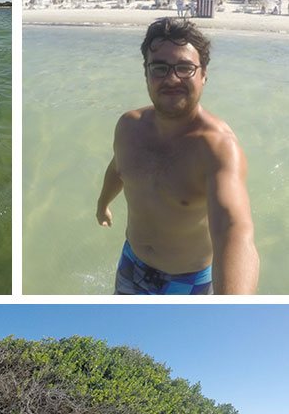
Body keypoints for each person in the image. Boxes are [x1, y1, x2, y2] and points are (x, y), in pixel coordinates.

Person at [96, 18, 259, 295]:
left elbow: (235, 231)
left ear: (204, 74)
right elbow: (119, 168)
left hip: (188, 280)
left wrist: (233, 304)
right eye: (159, 68)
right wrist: (102, 204)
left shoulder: (218, 148)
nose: (171, 79)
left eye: (185, 68)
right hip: (131, 262)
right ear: (146, 73)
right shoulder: (128, 127)